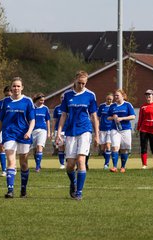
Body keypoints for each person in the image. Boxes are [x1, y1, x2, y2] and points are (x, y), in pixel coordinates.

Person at [55, 70, 99, 201]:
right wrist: (58, 133)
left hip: (85, 130)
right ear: (75, 80)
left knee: (81, 161)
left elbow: (94, 116)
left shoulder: (90, 95)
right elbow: (63, 115)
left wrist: (97, 135)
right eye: (79, 83)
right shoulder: (67, 95)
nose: (81, 85)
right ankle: (73, 183)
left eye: (84, 83)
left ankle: (79, 192)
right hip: (70, 131)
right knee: (70, 165)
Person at [0, 77, 35, 198]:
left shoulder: (27, 101)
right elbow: (1, 121)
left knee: (23, 163)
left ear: (22, 88)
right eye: (14, 86)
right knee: (11, 161)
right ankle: (10, 190)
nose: (16, 88)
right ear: (11, 88)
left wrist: (29, 131)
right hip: (9, 134)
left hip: (23, 135)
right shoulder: (6, 102)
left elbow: (32, 120)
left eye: (18, 86)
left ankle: (23, 189)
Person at [107, 89, 136, 173]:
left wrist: (122, 118)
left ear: (122, 96)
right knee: (115, 147)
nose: (115, 97)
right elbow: (108, 117)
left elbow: (133, 116)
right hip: (115, 129)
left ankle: (123, 167)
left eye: (117, 95)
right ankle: (114, 167)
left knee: (124, 149)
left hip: (125, 129)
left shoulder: (127, 105)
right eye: (115, 95)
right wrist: (114, 118)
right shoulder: (112, 106)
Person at [136, 89, 153, 169]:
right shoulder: (143, 106)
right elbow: (140, 118)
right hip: (144, 129)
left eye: (150, 94)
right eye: (147, 95)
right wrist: (138, 128)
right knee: (143, 146)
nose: (148, 96)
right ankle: (144, 165)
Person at [0, 86, 12, 177]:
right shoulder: (0, 103)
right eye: (7, 91)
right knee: (1, 147)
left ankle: (12, 166)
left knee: (11, 149)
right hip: (2, 127)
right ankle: (4, 170)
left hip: (13, 128)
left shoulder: (16, 102)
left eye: (10, 91)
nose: (8, 93)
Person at [31, 93, 51, 172]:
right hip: (33, 130)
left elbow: (47, 121)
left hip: (43, 130)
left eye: (43, 100)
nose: (42, 102)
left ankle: (37, 167)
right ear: (37, 100)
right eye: (41, 100)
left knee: (40, 147)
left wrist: (49, 132)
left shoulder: (45, 108)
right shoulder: (32, 107)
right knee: (34, 150)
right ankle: (37, 163)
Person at [97, 93, 114, 170]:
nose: (109, 100)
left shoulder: (114, 106)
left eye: (110, 99)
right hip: (102, 129)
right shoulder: (102, 106)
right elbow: (98, 117)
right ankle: (108, 156)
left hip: (110, 129)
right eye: (108, 99)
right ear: (106, 99)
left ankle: (106, 164)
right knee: (102, 148)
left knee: (108, 145)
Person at [51, 94, 67, 169]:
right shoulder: (57, 108)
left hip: (68, 130)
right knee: (60, 147)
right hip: (59, 130)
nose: (62, 99)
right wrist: (53, 130)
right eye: (61, 97)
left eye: (64, 97)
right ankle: (62, 164)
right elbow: (54, 120)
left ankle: (68, 162)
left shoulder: (69, 107)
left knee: (68, 147)